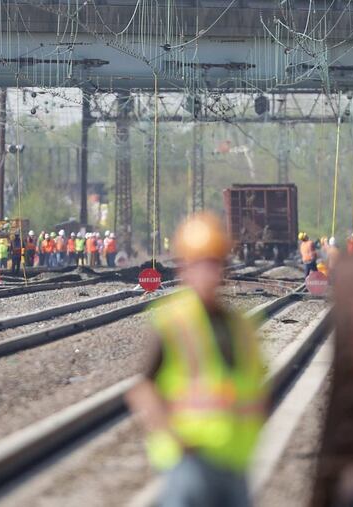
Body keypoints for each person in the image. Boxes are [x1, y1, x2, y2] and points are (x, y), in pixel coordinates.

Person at [126, 212, 266, 507]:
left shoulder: (240, 326)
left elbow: (254, 385)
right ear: (184, 270)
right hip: (189, 463)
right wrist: (175, 439)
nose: (209, 274)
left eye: (215, 264)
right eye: (201, 265)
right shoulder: (174, 321)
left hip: (234, 461)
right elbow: (143, 389)